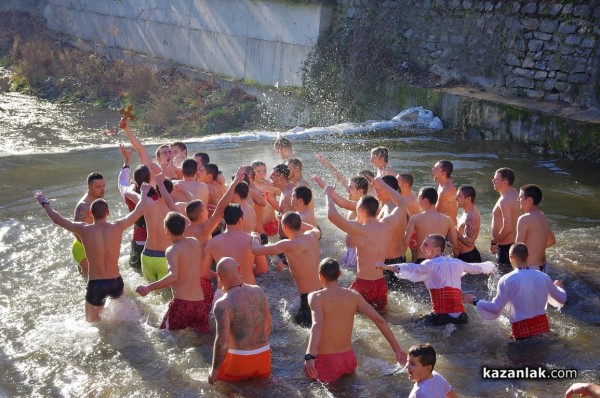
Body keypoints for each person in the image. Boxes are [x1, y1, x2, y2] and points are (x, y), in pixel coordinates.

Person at [35, 184, 149, 321]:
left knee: (92, 324)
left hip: (96, 285)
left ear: (90, 214)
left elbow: (57, 219)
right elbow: (140, 209)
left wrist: (44, 202)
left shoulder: (83, 230)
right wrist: (144, 192)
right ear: (108, 213)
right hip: (115, 282)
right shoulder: (118, 226)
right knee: (127, 320)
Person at [303, 258, 407, 383]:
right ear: (340, 274)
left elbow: (317, 325)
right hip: (349, 359)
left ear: (320, 276)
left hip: (326, 361)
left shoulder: (315, 297)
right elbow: (379, 320)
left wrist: (309, 355)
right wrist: (398, 350)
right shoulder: (353, 295)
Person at [377, 234, 494, 326]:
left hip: (442, 318)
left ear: (437, 250)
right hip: (462, 317)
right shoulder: (458, 263)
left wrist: (388, 267)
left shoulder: (431, 264)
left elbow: (414, 269)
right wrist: (491, 266)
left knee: (408, 324)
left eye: (426, 245)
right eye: (422, 244)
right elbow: (477, 268)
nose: (421, 247)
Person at [323, 181, 401, 309]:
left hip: (363, 283)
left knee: (347, 312)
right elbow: (402, 203)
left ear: (361, 210)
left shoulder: (359, 228)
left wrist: (328, 194)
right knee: (380, 316)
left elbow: (332, 215)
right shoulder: (387, 225)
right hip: (381, 284)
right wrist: (384, 185)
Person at [463, 243, 566, 339]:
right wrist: (559, 287)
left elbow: (495, 308)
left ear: (511, 258)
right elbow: (562, 299)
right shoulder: (544, 277)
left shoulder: (507, 280)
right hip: (544, 332)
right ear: (528, 256)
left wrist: (475, 301)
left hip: (521, 334)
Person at [136, 212, 209, 333]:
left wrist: (148, 288)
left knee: (167, 336)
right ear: (184, 226)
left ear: (166, 230)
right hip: (200, 303)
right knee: (201, 337)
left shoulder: (172, 250)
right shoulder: (194, 242)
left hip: (182, 304)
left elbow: (173, 276)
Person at [251, 212, 321, 327]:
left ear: (284, 227)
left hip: (308, 298)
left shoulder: (288, 245)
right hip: (322, 290)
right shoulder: (312, 235)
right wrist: (297, 221)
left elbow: (256, 250)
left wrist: (255, 237)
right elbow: (315, 228)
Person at [208, 257, 272, 384]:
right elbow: (269, 325)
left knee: (223, 389)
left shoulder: (223, 304)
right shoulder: (258, 291)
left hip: (239, 359)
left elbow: (222, 342)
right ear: (238, 269)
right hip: (264, 356)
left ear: (219, 276)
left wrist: (214, 371)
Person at [201, 204, 268, 308]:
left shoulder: (212, 243)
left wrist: (219, 275)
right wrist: (248, 268)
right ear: (241, 220)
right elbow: (263, 269)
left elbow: (204, 273)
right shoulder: (251, 240)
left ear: (225, 220)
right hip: (249, 290)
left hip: (224, 293)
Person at [312, 174, 369, 270]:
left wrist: (326, 189)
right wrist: (324, 187)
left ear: (360, 191)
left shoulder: (362, 206)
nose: (347, 190)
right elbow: (341, 202)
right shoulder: (356, 205)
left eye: (351, 188)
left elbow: (343, 203)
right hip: (351, 251)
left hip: (355, 253)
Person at [405, 187, 459, 263]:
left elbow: (405, 243)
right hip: (439, 262)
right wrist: (455, 260)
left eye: (418, 198)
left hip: (422, 261)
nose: (417, 201)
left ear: (425, 201)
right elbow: (456, 247)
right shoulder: (448, 220)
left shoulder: (415, 219)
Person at [117, 145, 150, 270]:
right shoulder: (157, 196)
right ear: (150, 178)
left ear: (134, 180)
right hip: (155, 242)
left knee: (136, 270)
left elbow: (122, 181)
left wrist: (127, 160)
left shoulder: (129, 194)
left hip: (138, 239)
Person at [72, 172, 106, 279]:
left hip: (94, 245)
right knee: (91, 281)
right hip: (82, 248)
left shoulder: (98, 200)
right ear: (89, 187)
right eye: (98, 187)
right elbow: (75, 230)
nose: (102, 189)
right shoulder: (84, 206)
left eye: (103, 186)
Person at [515, 184, 555, 273]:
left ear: (529, 200)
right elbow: (552, 241)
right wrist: (537, 249)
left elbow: (517, 249)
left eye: (520, 197)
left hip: (530, 268)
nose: (518, 200)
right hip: (544, 267)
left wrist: (515, 272)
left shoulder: (524, 219)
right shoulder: (542, 215)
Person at [491, 167, 521, 268]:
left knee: (503, 277)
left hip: (505, 247)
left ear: (505, 181)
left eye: (495, 180)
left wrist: (494, 242)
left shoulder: (504, 200)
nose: (493, 182)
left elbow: (507, 228)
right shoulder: (515, 194)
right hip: (514, 244)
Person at [251, 160, 280, 241]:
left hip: (271, 224)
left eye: (264, 171)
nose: (262, 174)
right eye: (259, 172)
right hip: (256, 226)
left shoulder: (271, 185)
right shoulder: (250, 187)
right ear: (252, 173)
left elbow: (285, 197)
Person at [455, 185, 481, 263]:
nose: (455, 198)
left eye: (459, 196)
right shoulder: (468, 211)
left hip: (469, 258)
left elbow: (469, 242)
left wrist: (454, 231)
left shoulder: (470, 217)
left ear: (468, 199)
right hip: (467, 255)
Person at [432, 160, 457, 225]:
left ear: (443, 173)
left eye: (436, 169)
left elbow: (435, 213)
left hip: (447, 229)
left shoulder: (445, 191)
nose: (433, 169)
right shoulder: (443, 183)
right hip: (447, 223)